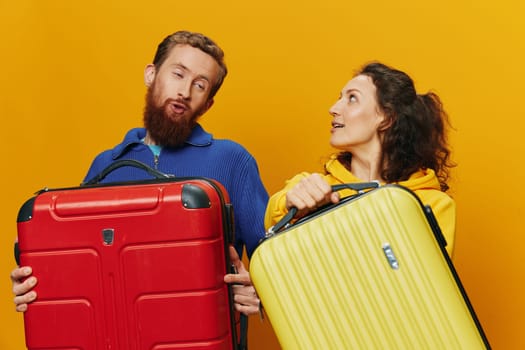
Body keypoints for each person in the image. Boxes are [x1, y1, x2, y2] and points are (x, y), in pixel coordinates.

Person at [11, 30, 267, 316]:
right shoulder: (105, 165)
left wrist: (261, 294)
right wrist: (34, 287)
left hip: (200, 335)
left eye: (200, 85)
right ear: (151, 75)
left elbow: (273, 257)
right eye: (178, 74)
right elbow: (77, 266)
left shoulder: (232, 160)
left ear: (208, 104)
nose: (184, 91)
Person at [264, 61, 456, 256]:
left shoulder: (433, 203)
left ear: (386, 118)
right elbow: (273, 213)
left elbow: (425, 279)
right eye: (340, 98)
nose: (334, 108)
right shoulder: (315, 187)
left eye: (352, 98)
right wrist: (291, 204)